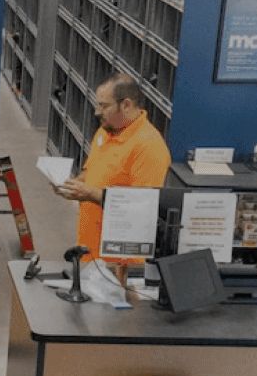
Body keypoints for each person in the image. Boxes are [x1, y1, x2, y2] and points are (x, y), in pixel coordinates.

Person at [53, 74, 171, 294]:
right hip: (91, 255)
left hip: (120, 266)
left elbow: (141, 208)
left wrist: (90, 194)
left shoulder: (149, 147)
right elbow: (92, 171)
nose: (98, 112)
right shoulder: (106, 131)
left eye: (104, 106)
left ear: (126, 105)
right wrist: (71, 185)